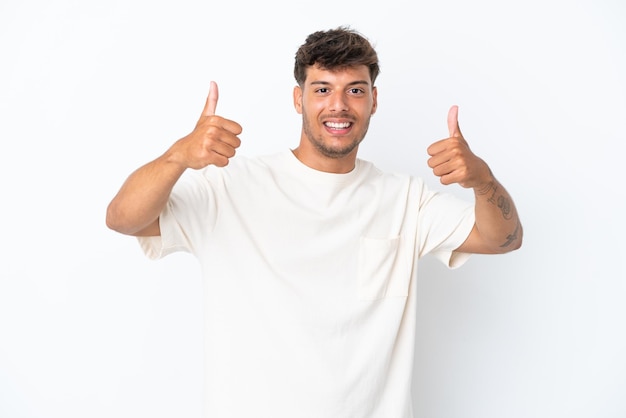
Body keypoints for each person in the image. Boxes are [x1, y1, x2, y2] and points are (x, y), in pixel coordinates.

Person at [106, 26, 522, 418]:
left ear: (373, 100)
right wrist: (178, 156)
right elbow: (124, 218)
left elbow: (503, 239)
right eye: (322, 89)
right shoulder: (230, 188)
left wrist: (482, 181)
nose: (338, 105)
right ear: (298, 98)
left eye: (354, 90)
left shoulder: (405, 199)